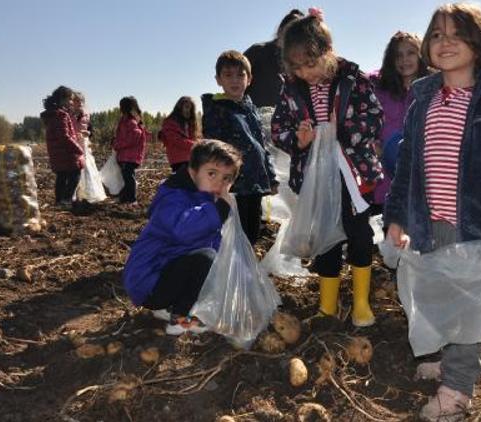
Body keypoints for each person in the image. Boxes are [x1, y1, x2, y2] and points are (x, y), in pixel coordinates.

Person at [384, 4, 481, 420]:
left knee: (469, 311)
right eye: (436, 35)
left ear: (479, 46)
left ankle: (458, 389)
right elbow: (408, 165)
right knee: (436, 294)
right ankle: (442, 360)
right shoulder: (422, 102)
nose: (444, 43)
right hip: (429, 224)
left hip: (475, 227)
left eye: (456, 35)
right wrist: (397, 216)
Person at [271, 8, 383, 327]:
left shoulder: (352, 79)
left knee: (358, 232)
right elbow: (279, 128)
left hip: (351, 171)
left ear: (327, 52)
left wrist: (342, 131)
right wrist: (299, 139)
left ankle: (361, 303)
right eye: (297, 67)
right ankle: (327, 306)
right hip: (314, 175)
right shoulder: (290, 88)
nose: (306, 72)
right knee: (325, 237)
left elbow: (373, 116)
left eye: (311, 63)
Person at [122, 140, 242, 335]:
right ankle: (179, 318)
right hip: (147, 283)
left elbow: (211, 241)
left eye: (227, 178)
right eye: (212, 173)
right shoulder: (174, 198)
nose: (219, 183)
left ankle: (167, 308)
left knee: (213, 260)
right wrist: (218, 210)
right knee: (205, 260)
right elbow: (183, 230)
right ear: (193, 171)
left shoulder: (204, 199)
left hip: (163, 279)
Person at [202, 50, 279, 245]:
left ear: (249, 79)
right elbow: (214, 149)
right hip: (233, 185)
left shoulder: (250, 109)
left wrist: (270, 177)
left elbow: (261, 146)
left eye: (240, 75)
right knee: (233, 232)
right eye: (228, 75)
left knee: (252, 231)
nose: (235, 80)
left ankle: (246, 270)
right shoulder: (216, 110)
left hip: (254, 183)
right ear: (218, 79)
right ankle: (231, 272)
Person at [368, 31, 431, 213]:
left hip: (420, 178)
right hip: (383, 181)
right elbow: (367, 120)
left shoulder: (433, 88)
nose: (404, 60)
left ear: (421, 55)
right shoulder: (377, 88)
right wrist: (374, 144)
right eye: (398, 55)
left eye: (410, 53)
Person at [244, 9, 305, 107]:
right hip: (253, 117)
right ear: (280, 30)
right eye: (291, 30)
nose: (293, 36)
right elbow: (233, 83)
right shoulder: (257, 51)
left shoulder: (299, 63)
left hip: (285, 120)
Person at [40, 86, 85, 208]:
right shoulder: (61, 115)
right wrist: (78, 149)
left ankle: (59, 201)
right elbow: (65, 136)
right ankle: (66, 200)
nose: (72, 102)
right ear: (63, 99)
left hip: (57, 153)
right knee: (75, 174)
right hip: (65, 153)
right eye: (70, 99)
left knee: (62, 176)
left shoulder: (52, 115)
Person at [113, 96, 151, 205]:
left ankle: (132, 199)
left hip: (129, 156)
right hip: (126, 155)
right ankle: (124, 198)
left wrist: (117, 145)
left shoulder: (130, 122)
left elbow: (132, 138)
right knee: (126, 177)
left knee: (128, 177)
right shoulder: (127, 121)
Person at [160, 96, 200, 173]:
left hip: (190, 159)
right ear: (179, 107)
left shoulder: (190, 123)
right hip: (178, 160)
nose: (188, 110)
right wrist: (196, 145)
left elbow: (193, 138)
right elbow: (177, 140)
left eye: (190, 108)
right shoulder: (170, 123)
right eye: (186, 107)